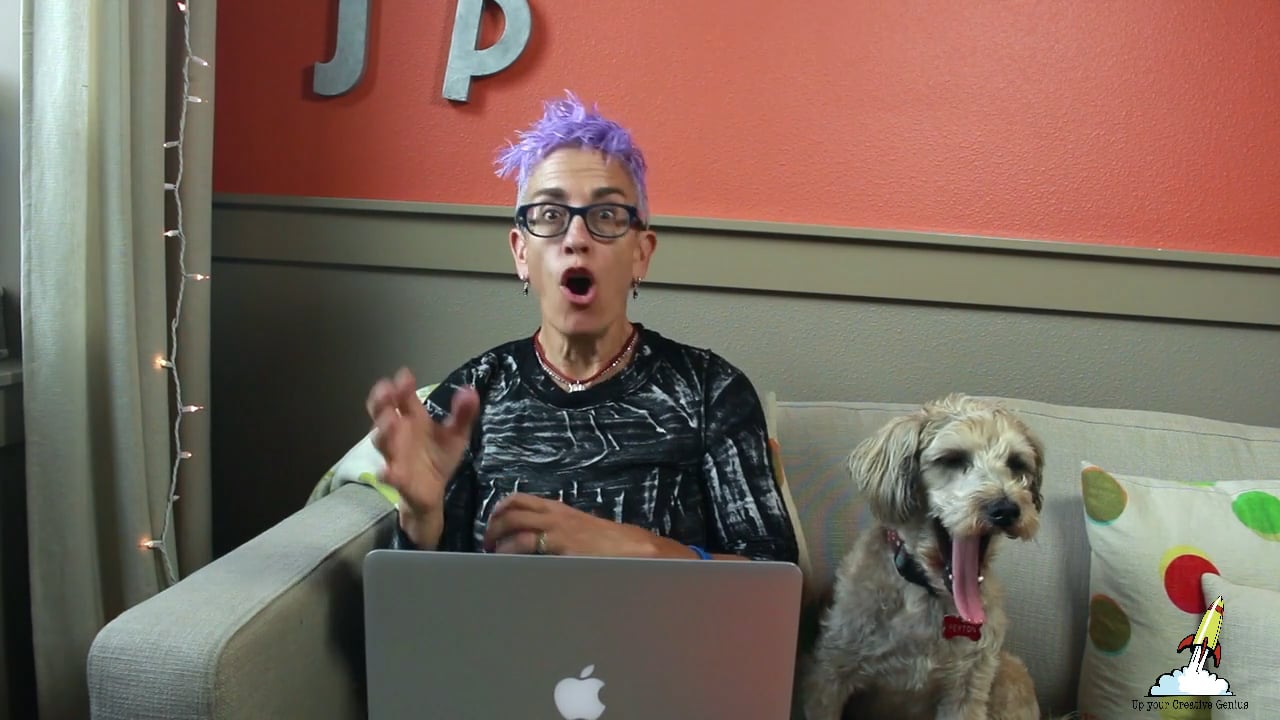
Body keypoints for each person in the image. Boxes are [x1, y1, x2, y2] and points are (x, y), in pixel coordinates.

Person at [365, 91, 798, 564]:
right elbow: (419, 610)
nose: (576, 238)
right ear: (521, 253)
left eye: (606, 216)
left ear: (640, 253)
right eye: (550, 215)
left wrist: (637, 547)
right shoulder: (469, 397)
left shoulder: (711, 391)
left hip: (662, 640)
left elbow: (775, 585)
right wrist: (420, 517)